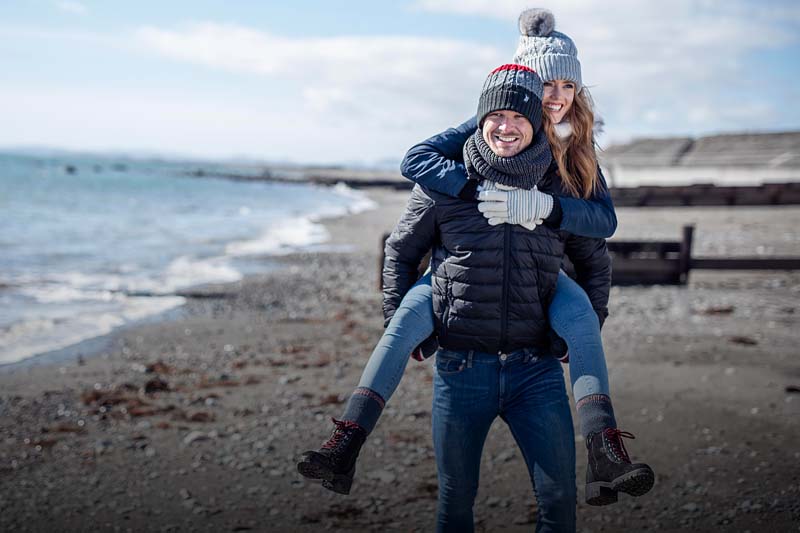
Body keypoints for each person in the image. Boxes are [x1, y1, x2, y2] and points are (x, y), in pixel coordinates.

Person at [297, 8, 653, 508]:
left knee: (583, 325)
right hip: (460, 309)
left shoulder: (575, 152)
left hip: (544, 289)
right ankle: (345, 441)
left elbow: (601, 230)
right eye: (543, 84)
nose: (554, 96)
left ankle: (604, 453)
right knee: (403, 326)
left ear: (577, 92)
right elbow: (416, 166)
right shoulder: (495, 121)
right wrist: (467, 187)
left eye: (566, 86)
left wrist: (546, 207)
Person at [395, 63, 606, 531]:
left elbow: (596, 256)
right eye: (497, 116)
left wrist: (581, 332)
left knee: (559, 498)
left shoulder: (560, 179)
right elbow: (401, 251)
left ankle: (608, 442)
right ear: (481, 118)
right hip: (461, 369)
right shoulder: (447, 181)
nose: (507, 126)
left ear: (535, 125)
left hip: (538, 372)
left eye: (520, 117)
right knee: (455, 499)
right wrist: (404, 322)